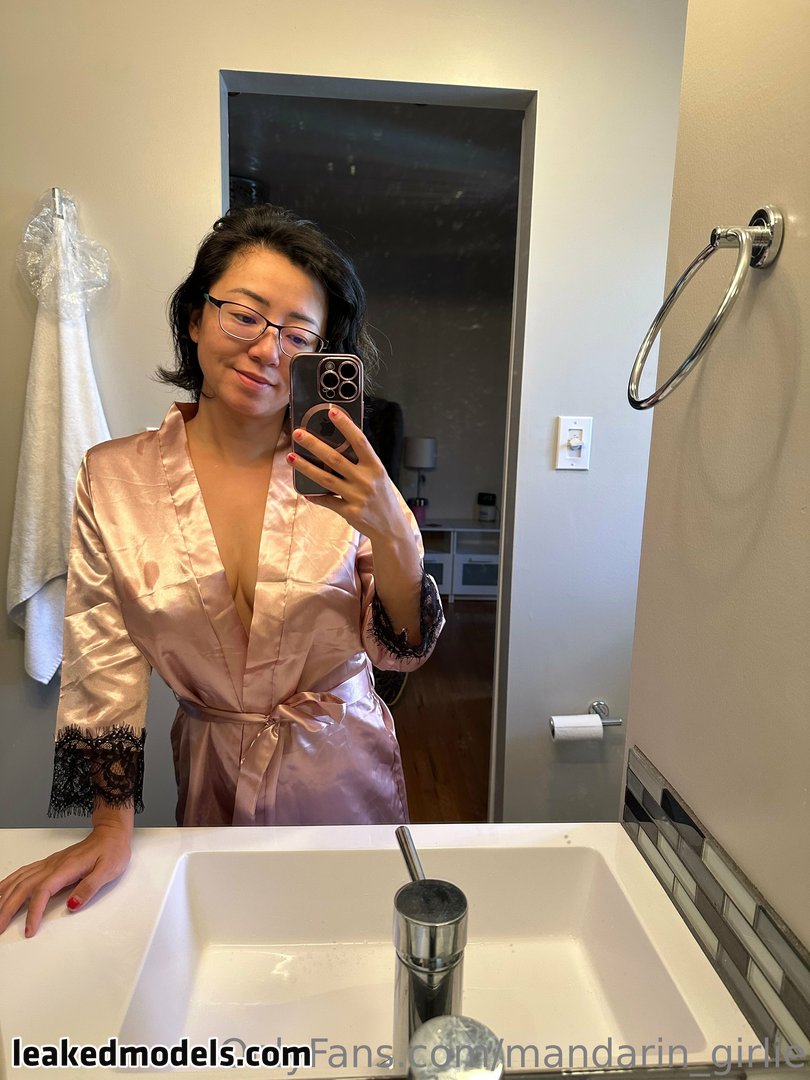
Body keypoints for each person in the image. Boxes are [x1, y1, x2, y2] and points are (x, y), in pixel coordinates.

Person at [0, 205, 444, 937]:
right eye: (244, 315)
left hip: (343, 775)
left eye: (299, 335)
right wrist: (109, 826)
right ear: (196, 318)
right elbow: (101, 663)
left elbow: (402, 648)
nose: (268, 349)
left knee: (351, 960)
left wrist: (397, 534)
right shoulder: (113, 480)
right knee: (225, 958)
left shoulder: (345, 477)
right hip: (214, 779)